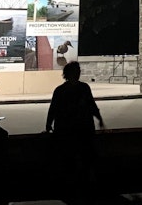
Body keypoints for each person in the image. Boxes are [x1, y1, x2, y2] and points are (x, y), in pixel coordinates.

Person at [45, 61, 105, 191]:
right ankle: (75, 180)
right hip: (69, 128)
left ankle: (83, 179)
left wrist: (99, 118)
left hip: (81, 127)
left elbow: (91, 104)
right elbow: (53, 109)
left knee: (85, 154)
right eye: (76, 71)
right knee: (71, 154)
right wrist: (49, 123)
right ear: (69, 73)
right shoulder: (62, 90)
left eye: (79, 71)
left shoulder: (82, 88)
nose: (78, 74)